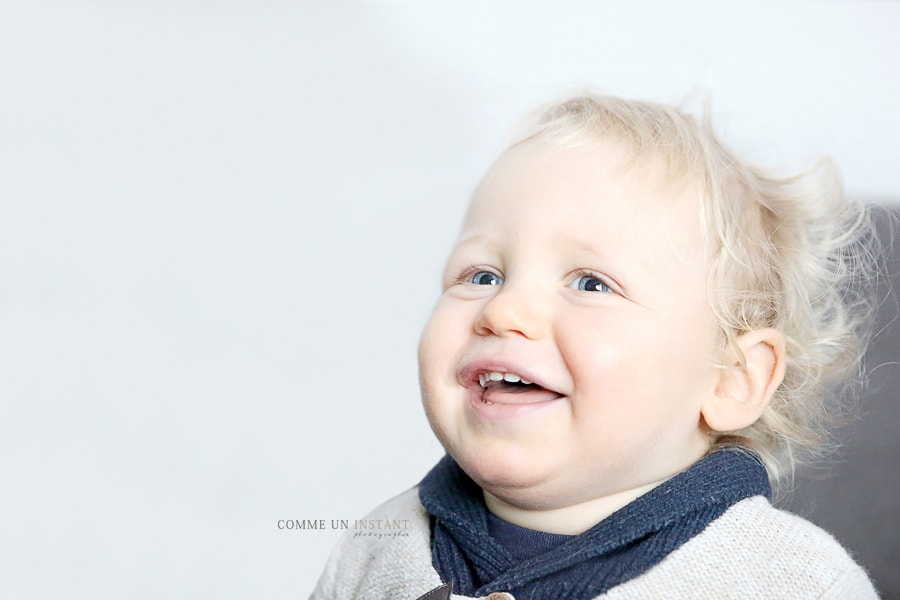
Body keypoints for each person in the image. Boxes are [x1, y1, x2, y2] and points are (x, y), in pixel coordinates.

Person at [310, 94, 880, 599]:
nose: (502, 310)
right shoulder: (378, 549)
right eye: (482, 275)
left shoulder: (789, 582)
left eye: (590, 284)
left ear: (731, 378)